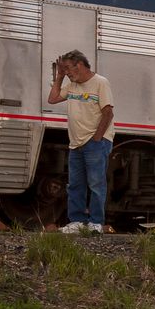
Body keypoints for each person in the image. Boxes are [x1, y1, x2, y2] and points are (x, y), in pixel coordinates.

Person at [47, 50, 115, 234]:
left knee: (95, 183)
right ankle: (77, 221)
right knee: (75, 183)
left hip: (95, 142)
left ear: (80, 65)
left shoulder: (100, 82)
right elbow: (52, 99)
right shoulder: (72, 86)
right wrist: (60, 77)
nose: (67, 72)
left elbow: (108, 112)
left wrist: (97, 138)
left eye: (68, 68)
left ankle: (95, 222)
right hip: (76, 143)